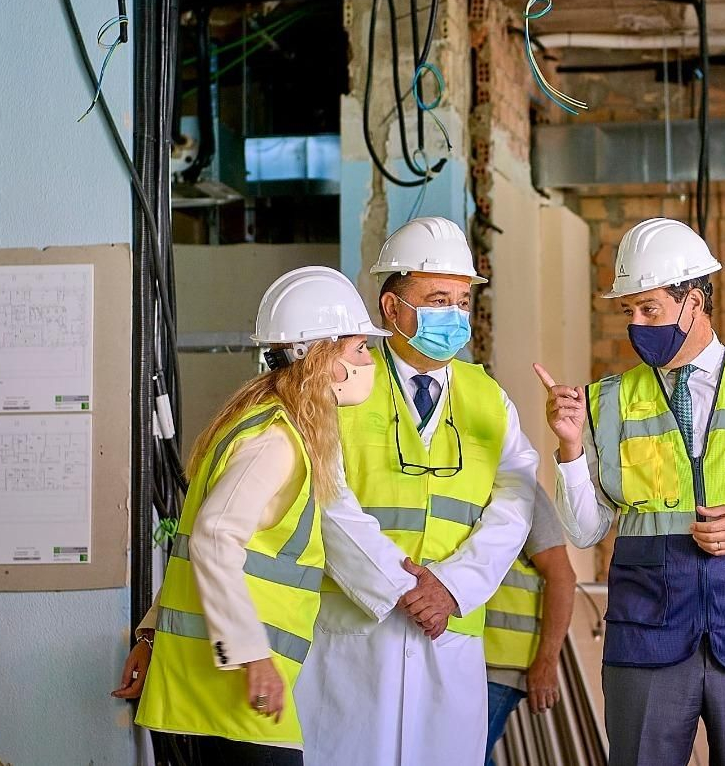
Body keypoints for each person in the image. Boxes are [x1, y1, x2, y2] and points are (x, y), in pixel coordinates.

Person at [536, 217, 725, 766]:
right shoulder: (607, 400)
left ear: (694, 302)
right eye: (628, 311)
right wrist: (570, 447)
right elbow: (585, 530)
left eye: (649, 309)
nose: (636, 324)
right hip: (645, 633)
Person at [296, 216, 539, 766]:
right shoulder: (345, 382)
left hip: (447, 630)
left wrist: (452, 587)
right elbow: (326, 495)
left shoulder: (488, 397)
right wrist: (400, 586)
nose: (454, 316)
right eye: (437, 300)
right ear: (391, 307)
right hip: (357, 629)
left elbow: (517, 497)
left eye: (461, 301)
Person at [127, 266, 390, 764]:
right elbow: (211, 538)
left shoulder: (258, 422)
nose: (368, 361)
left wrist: (151, 633)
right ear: (320, 355)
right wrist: (250, 653)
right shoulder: (275, 438)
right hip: (236, 689)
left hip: (220, 685)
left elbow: (196, 541)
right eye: (359, 348)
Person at [483, 493, 577, 766]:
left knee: (462, 756)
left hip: (501, 665)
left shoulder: (525, 492)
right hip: (466, 658)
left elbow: (562, 576)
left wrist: (546, 662)